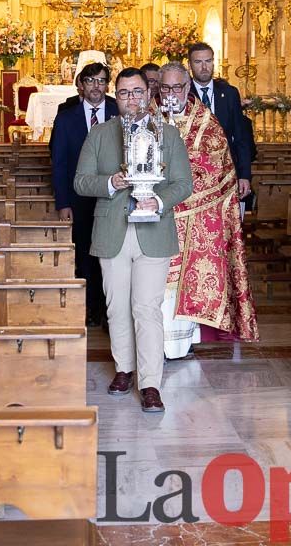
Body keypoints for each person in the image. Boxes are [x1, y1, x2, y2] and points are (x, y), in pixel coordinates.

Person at [74, 68, 192, 413]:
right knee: (116, 308)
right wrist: (111, 182)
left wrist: (158, 200)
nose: (131, 99)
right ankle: (124, 369)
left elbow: (183, 183)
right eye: (124, 93)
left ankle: (151, 383)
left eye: (138, 92)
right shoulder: (99, 135)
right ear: (116, 96)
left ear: (148, 93)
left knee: (146, 308)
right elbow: (81, 181)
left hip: (153, 230)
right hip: (112, 230)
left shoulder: (167, 134)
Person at [158, 62, 258, 359]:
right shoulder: (148, 118)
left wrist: (174, 193)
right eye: (166, 88)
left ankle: (180, 344)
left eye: (177, 87)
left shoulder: (207, 124)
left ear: (187, 88)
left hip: (193, 221)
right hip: (153, 221)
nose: (172, 94)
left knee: (183, 286)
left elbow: (218, 170)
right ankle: (154, 347)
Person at [49, 63, 118, 327]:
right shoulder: (67, 118)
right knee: (86, 254)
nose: (95, 86)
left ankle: (110, 308)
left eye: (101, 81)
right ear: (81, 85)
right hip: (79, 198)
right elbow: (60, 162)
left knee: (110, 252)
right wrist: (63, 202)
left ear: (107, 85)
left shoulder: (117, 111)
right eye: (90, 81)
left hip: (113, 195)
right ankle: (91, 308)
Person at [186, 43, 252, 202]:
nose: (204, 67)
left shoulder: (229, 93)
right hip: (193, 174)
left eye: (208, 61)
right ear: (189, 65)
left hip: (226, 170)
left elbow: (241, 137)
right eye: (198, 62)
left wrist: (244, 175)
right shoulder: (185, 93)